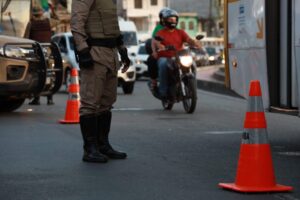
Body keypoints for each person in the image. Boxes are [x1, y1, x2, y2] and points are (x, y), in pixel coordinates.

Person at [71, 0, 131, 163]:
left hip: (111, 53)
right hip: (95, 53)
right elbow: (77, 22)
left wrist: (122, 50)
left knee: (107, 101)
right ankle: (90, 149)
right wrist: (83, 50)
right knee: (91, 102)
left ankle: (103, 145)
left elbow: (112, 25)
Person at [154, 9, 201, 99]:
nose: (173, 21)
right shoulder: (160, 33)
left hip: (179, 57)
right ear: (164, 20)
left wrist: (194, 43)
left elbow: (188, 40)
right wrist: (161, 46)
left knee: (193, 64)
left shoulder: (180, 32)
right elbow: (157, 42)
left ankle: (193, 88)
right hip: (165, 57)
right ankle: (163, 91)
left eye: (174, 19)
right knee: (163, 65)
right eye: (170, 19)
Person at [146, 7, 170, 90]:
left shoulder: (175, 28)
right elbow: (154, 40)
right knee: (151, 59)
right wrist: (154, 51)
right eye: (164, 17)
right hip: (161, 52)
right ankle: (154, 82)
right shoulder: (158, 28)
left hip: (174, 52)